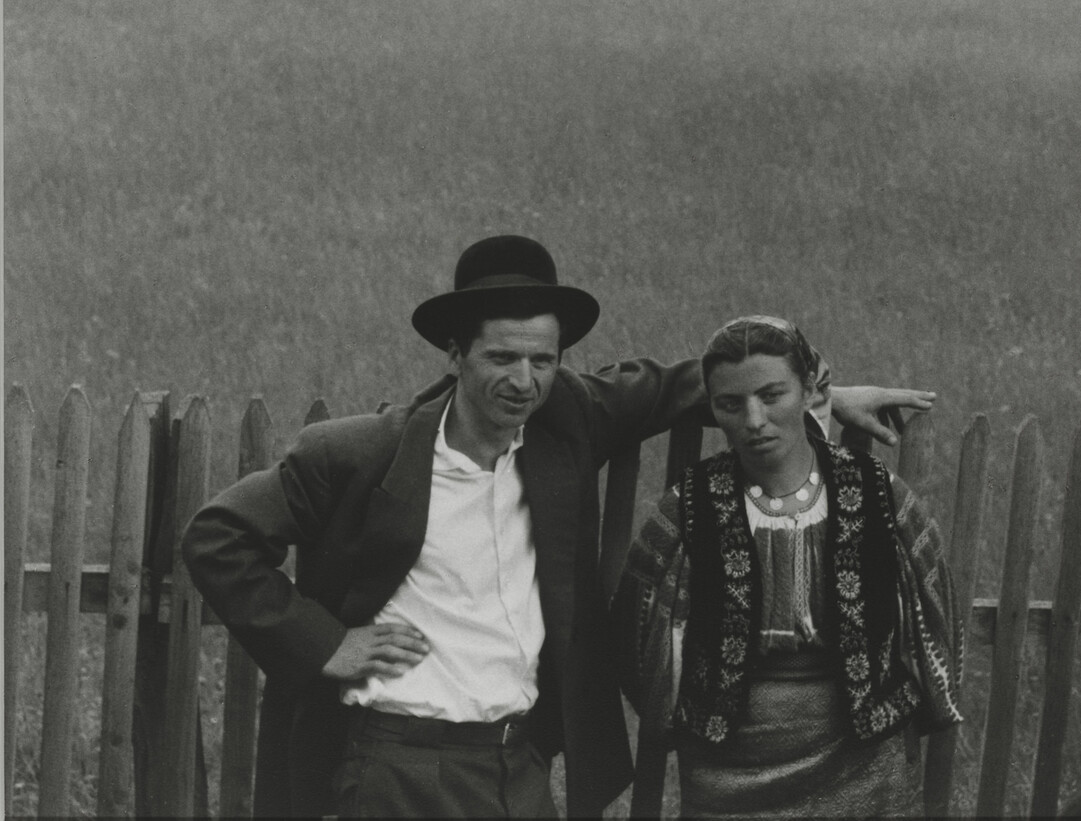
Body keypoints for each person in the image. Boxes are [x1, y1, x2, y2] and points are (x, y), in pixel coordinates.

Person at [182, 239, 936, 818]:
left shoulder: (564, 417)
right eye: (501, 357)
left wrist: (823, 398)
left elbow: (687, 387)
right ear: (453, 353)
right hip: (396, 762)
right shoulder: (359, 454)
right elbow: (218, 536)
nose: (523, 380)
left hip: (518, 764)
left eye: (542, 359)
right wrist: (327, 643)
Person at [611, 315, 963, 818]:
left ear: (811, 392)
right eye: (730, 404)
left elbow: (933, 602)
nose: (753, 420)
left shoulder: (875, 492)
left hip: (861, 759)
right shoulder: (691, 504)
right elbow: (637, 621)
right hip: (727, 764)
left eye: (772, 395)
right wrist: (682, 713)